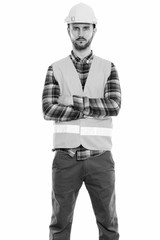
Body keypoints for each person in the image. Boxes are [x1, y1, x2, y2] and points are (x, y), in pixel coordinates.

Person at [42, 3, 121, 240]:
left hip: (100, 159)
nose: (80, 33)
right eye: (76, 28)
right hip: (65, 159)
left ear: (94, 30)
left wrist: (71, 102)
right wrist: (90, 106)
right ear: (68, 30)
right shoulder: (55, 68)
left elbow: (114, 106)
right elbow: (48, 109)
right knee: (59, 224)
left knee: (108, 223)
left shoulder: (109, 68)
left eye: (85, 28)